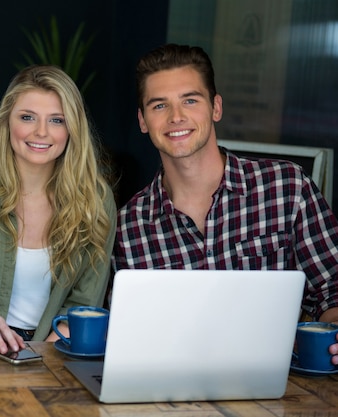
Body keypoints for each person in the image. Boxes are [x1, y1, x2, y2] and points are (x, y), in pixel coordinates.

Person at [113, 43, 338, 364]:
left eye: (190, 100)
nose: (176, 117)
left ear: (216, 107)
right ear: (143, 120)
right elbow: (127, 331)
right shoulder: (129, 226)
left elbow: (332, 288)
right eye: (159, 105)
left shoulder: (286, 188)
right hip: (173, 394)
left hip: (280, 389)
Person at [0, 65, 117, 355]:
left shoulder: (95, 200)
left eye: (57, 120)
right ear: (7, 121)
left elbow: (84, 305)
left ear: (72, 128)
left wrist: (37, 357)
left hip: (60, 351)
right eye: (27, 117)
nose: (42, 132)